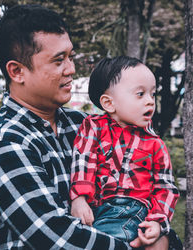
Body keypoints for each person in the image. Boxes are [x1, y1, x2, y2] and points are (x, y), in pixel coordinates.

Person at [0, 5, 130, 249]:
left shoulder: (83, 125)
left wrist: (158, 232)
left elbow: (131, 190)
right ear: (17, 71)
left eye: (70, 56)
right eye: (58, 61)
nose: (71, 69)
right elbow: (55, 238)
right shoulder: (6, 142)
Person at [70, 56, 182, 249]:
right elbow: (83, 160)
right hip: (96, 208)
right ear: (109, 103)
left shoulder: (155, 144)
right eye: (140, 94)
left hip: (133, 209)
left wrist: (157, 221)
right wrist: (79, 199)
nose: (150, 102)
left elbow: (166, 188)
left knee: (101, 241)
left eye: (152, 94)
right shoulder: (93, 128)